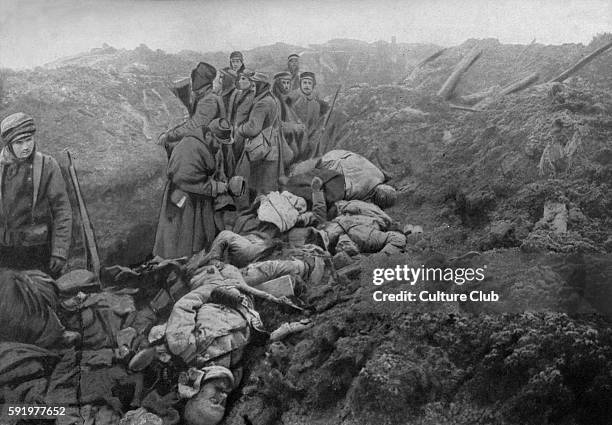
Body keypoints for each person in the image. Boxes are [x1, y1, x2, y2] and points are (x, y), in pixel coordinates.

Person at [153, 120, 243, 259]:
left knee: (199, 240)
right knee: (180, 240)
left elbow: (216, 174)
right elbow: (185, 179)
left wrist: (224, 185)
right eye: (218, 141)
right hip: (182, 200)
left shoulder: (210, 147)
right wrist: (216, 187)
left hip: (199, 201)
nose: (219, 146)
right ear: (208, 135)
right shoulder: (188, 147)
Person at [0, 112, 72, 276]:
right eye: (19, 142)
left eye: (29, 140)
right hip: (3, 252)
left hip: (38, 253)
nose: (26, 147)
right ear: (9, 145)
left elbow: (62, 211)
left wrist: (59, 251)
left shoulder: (47, 166)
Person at [234, 72, 285, 198]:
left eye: (256, 85)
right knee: (268, 183)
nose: (253, 87)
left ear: (262, 86)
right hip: (272, 146)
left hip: (260, 147)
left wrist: (239, 129)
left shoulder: (262, 103)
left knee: (253, 181)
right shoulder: (273, 100)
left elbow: (253, 128)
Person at [158, 62, 224, 150]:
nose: (192, 81)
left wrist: (169, 136)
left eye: (195, 77)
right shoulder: (202, 96)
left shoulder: (209, 101)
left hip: (210, 146)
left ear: (201, 80)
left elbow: (195, 126)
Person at [318, 149, 398, 208]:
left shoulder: (380, 175)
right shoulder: (359, 192)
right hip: (328, 164)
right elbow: (339, 197)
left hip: (338, 153)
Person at [287, 72, 329, 157]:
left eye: (310, 83)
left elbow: (314, 124)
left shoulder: (315, 104)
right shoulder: (292, 98)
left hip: (307, 138)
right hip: (292, 136)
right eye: (304, 83)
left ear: (313, 85)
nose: (307, 85)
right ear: (300, 84)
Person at [272, 71, 306, 161]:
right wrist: (294, 127)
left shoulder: (286, 100)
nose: (286, 86)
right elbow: (275, 124)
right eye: (283, 83)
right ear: (278, 84)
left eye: (288, 83)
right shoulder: (274, 101)